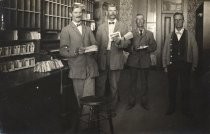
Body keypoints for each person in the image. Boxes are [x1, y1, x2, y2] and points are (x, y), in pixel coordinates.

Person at [60, 3, 98, 106]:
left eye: (80, 12)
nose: (78, 14)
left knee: (90, 99)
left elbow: (95, 45)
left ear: (82, 14)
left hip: (90, 68)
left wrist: (92, 49)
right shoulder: (66, 30)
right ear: (70, 14)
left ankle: (88, 121)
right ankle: (84, 121)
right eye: (75, 12)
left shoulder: (88, 29)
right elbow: (63, 50)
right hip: (77, 69)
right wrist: (76, 51)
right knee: (81, 100)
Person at [95, 3, 130, 111]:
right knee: (100, 86)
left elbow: (127, 44)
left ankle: (112, 109)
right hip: (103, 59)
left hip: (116, 58)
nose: (112, 13)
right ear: (107, 12)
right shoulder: (100, 27)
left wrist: (120, 42)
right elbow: (97, 45)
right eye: (110, 10)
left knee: (114, 86)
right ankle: (99, 108)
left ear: (117, 12)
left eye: (114, 10)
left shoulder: (123, 26)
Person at [162, 12, 198, 116]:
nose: (178, 21)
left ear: (183, 21)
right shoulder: (169, 35)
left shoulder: (190, 35)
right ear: (174, 21)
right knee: (172, 87)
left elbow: (195, 50)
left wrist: (194, 65)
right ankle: (171, 107)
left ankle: (185, 108)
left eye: (180, 19)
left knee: (185, 87)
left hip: (185, 65)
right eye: (176, 20)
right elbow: (165, 50)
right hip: (172, 65)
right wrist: (165, 65)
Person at [126, 14, 157, 110]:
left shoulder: (150, 34)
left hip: (145, 61)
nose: (139, 21)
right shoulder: (130, 33)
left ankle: (144, 102)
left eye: (141, 19)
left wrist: (147, 48)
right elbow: (125, 46)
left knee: (144, 83)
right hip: (133, 61)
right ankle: (131, 102)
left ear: (144, 21)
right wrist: (132, 48)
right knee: (132, 82)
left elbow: (154, 46)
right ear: (136, 21)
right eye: (138, 19)